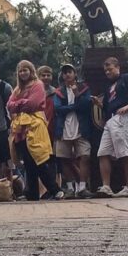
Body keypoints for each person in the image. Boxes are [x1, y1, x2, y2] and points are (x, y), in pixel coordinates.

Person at [7, 60, 61, 201]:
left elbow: (34, 104)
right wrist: (22, 104)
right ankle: (32, 193)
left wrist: (18, 104)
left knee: (39, 159)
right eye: (20, 70)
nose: (23, 73)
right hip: (21, 129)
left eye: (26, 70)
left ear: (31, 71)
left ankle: (55, 189)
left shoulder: (37, 85)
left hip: (35, 127)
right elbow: (9, 105)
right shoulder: (18, 88)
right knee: (28, 162)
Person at [94, 56, 128, 198]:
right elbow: (108, 104)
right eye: (105, 70)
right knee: (103, 152)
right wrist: (100, 105)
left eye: (110, 69)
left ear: (117, 67)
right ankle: (106, 186)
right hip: (110, 119)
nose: (107, 72)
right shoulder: (108, 86)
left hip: (123, 117)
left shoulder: (127, 79)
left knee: (125, 152)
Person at [52, 63, 94, 199]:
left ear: (75, 74)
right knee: (64, 158)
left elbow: (87, 106)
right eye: (64, 73)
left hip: (81, 128)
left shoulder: (84, 89)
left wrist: (77, 95)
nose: (67, 75)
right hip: (63, 129)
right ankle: (70, 188)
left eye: (69, 72)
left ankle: (82, 187)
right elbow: (57, 108)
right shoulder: (59, 92)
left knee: (85, 157)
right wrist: (75, 106)